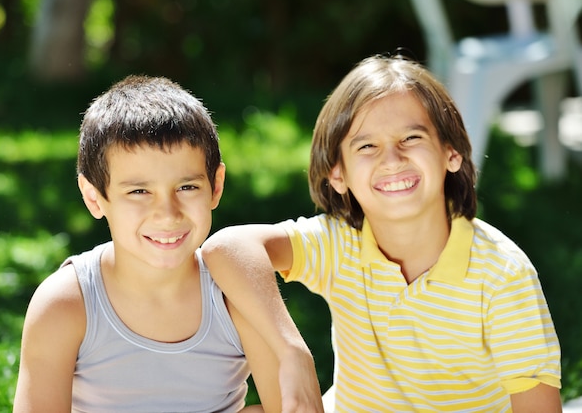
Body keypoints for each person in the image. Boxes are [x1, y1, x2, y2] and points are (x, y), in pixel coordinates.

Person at [201, 55, 562, 412]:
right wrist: (291, 351)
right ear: (337, 174)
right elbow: (227, 248)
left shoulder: (503, 274)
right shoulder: (339, 243)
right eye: (367, 146)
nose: (391, 159)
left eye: (411, 137)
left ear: (451, 153)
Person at [12, 75, 322, 412]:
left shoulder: (236, 296)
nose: (167, 214)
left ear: (216, 185)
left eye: (187, 187)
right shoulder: (65, 305)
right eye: (139, 191)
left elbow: (292, 408)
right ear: (94, 197)